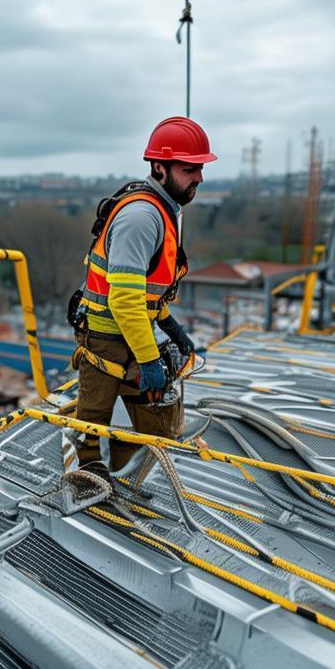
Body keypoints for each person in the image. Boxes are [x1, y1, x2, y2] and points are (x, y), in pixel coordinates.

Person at [68, 116, 216, 483]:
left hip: (132, 334)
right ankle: (89, 477)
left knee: (155, 420)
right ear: (159, 168)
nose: (198, 177)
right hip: (105, 339)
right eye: (189, 169)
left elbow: (148, 291)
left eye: (199, 168)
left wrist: (170, 326)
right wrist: (150, 358)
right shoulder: (141, 218)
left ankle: (129, 468)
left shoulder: (165, 212)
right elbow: (124, 300)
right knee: (93, 423)